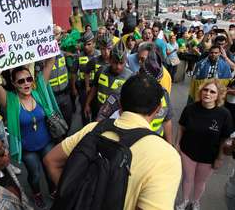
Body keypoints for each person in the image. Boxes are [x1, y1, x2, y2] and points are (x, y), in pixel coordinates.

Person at [44, 74, 181, 210]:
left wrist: (72, 196)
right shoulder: (166, 156)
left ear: (120, 103)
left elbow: (51, 160)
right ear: (157, 109)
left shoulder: (93, 128)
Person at [0, 58, 56, 209]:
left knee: (50, 168)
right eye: (21, 81)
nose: (26, 83)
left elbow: (49, 63)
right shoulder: (10, 100)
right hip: (28, 147)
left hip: (47, 142)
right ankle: (36, 194)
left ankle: (53, 190)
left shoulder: (38, 93)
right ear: (14, 84)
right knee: (34, 174)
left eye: (29, 79)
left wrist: (53, 41)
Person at [176, 79, 233, 210]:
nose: (207, 93)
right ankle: (184, 200)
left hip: (209, 156)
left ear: (218, 95)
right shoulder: (190, 109)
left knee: (200, 181)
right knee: (187, 179)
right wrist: (177, 144)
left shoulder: (224, 114)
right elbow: (181, 127)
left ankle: (195, 201)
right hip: (188, 151)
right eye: (205, 90)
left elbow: (224, 139)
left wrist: (220, 158)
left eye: (212, 91)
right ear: (201, 92)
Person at [84, 41, 132, 120]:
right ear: (110, 61)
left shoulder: (130, 76)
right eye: (115, 63)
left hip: (116, 116)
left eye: (121, 63)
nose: (118, 67)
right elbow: (94, 88)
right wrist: (87, 104)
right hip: (98, 110)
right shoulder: (101, 70)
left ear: (126, 62)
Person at [70, 31, 100, 125]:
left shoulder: (99, 55)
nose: (86, 47)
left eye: (89, 44)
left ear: (94, 43)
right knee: (84, 111)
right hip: (83, 88)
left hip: (97, 88)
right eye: (85, 44)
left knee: (96, 111)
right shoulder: (79, 56)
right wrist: (73, 88)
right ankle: (85, 129)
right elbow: (73, 72)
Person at [49, 26, 73, 129]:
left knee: (68, 120)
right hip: (52, 97)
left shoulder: (63, 54)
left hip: (65, 94)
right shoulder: (44, 60)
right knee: (56, 125)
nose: (57, 45)